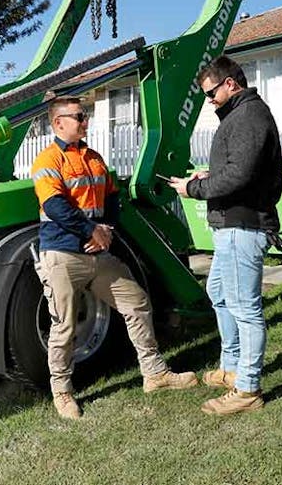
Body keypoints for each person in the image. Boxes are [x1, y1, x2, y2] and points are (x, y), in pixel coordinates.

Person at [31, 96, 198, 419]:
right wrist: (91, 231)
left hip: (98, 253)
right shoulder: (47, 160)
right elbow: (54, 206)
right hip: (63, 255)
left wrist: (104, 229)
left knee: (136, 302)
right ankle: (62, 393)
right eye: (79, 116)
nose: (85, 121)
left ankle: (154, 374)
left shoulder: (94, 158)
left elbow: (111, 198)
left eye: (86, 115)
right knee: (64, 327)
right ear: (58, 123)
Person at [167, 55, 282, 416]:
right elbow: (234, 169)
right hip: (232, 225)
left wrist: (194, 189)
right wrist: (208, 174)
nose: (209, 100)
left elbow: (240, 177)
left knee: (246, 309)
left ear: (231, 84)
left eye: (211, 92)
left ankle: (247, 388)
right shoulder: (239, 116)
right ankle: (231, 366)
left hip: (242, 226)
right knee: (219, 293)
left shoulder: (248, 116)